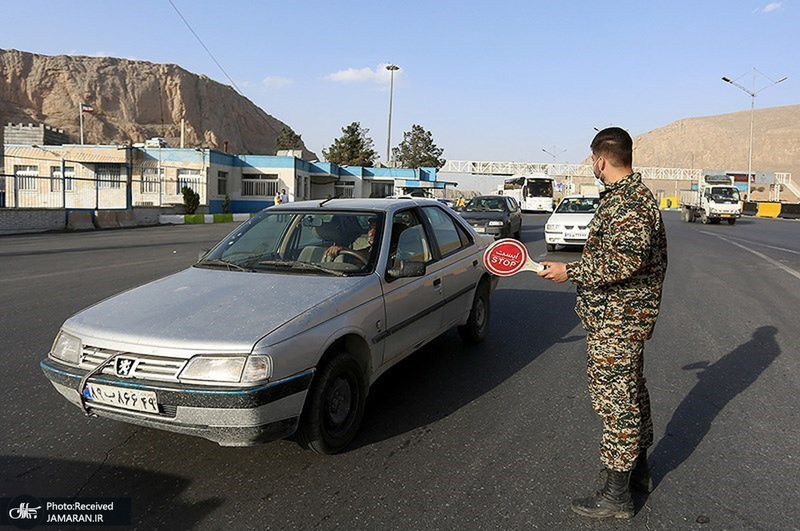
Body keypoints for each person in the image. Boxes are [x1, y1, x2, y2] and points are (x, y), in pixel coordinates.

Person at [537, 127, 668, 519]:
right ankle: (636, 472)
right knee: (632, 394)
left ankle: (617, 496)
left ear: (600, 159)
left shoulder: (630, 202)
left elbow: (627, 260)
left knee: (617, 404)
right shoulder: (627, 198)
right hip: (619, 319)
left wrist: (570, 271)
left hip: (619, 322)